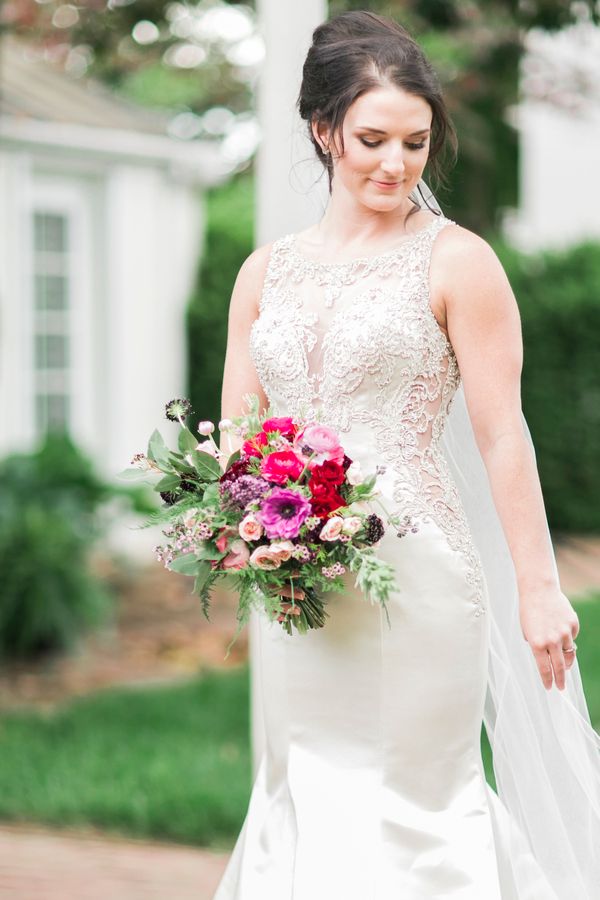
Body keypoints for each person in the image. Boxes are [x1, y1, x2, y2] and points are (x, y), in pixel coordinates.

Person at [214, 11, 600, 899]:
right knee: (300, 797)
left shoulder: (459, 263)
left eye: (416, 142)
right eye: (373, 139)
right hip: (298, 583)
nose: (396, 163)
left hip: (421, 579)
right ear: (323, 132)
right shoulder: (263, 274)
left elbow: (505, 435)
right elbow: (240, 439)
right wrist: (241, 530)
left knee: (420, 814)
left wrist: (539, 589)